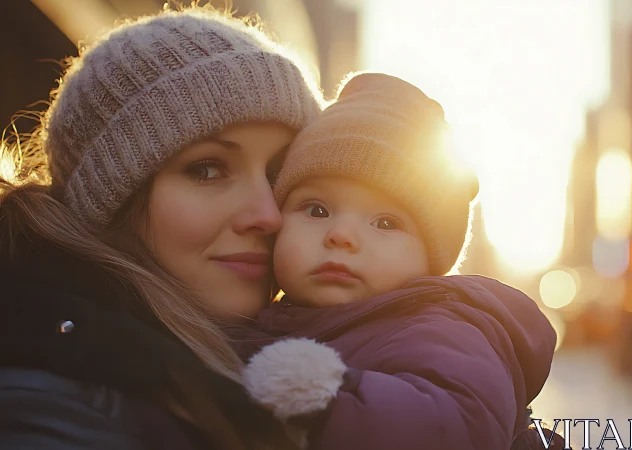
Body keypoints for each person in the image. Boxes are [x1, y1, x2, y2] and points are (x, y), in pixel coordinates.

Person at [0, 6, 326, 449]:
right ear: (112, 200)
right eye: (207, 170)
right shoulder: (52, 404)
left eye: (280, 174)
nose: (267, 216)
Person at [238, 73, 559, 450]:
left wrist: (331, 403)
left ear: (431, 259)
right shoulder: (253, 322)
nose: (341, 235)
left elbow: (458, 424)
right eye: (317, 209)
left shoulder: (443, 329)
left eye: (386, 223)